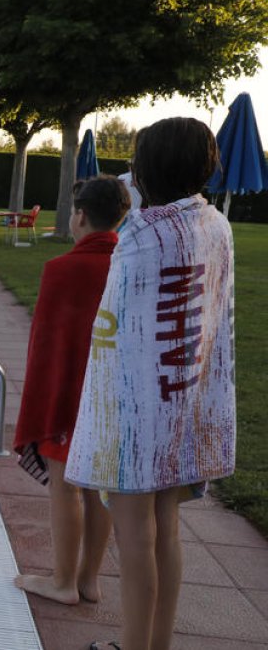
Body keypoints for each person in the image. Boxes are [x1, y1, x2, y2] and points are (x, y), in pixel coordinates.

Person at [67, 118, 235, 650]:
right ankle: (156, 643)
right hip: (183, 393)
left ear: (150, 167)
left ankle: (134, 645)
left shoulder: (144, 234)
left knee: (136, 530)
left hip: (136, 408)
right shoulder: (214, 225)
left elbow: (117, 319)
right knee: (167, 525)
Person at [12, 175, 130, 607]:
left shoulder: (61, 271)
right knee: (100, 488)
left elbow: (47, 350)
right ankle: (88, 579)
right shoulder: (129, 267)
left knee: (65, 487)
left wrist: (40, 414)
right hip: (114, 402)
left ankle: (62, 582)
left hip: (69, 400)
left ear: (79, 216)